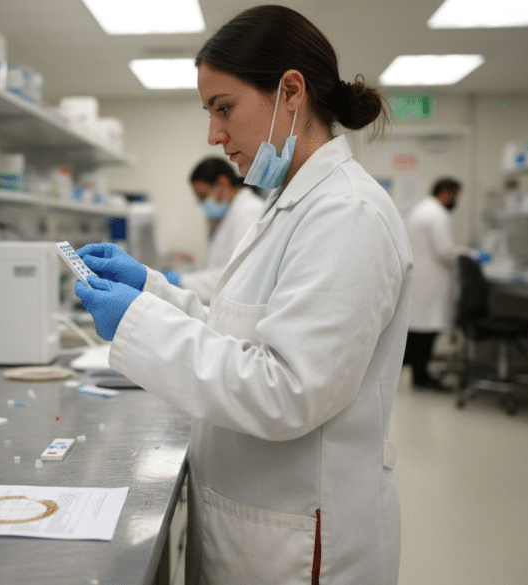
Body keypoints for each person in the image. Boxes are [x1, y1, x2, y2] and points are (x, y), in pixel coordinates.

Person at [74, 6, 411, 584]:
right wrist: (150, 291)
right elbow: (236, 334)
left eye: (224, 108)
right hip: (256, 520)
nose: (214, 135)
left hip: (302, 539)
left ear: (290, 92)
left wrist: (137, 324)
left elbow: (288, 389)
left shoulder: (346, 214)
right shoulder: (288, 203)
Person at [168, 157, 265, 304]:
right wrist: (194, 270)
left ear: (222, 183)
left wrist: (183, 281)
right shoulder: (231, 213)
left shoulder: (249, 212)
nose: (202, 204)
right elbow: (222, 262)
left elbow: (237, 274)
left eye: (203, 196)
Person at [404, 177, 462, 390]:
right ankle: (422, 377)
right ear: (446, 192)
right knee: (426, 332)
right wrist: (468, 255)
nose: (455, 200)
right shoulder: (437, 214)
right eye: (455, 195)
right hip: (432, 279)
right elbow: (445, 251)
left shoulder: (420, 210)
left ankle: (419, 373)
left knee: (419, 330)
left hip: (420, 279)